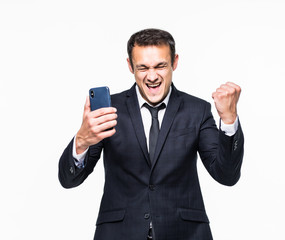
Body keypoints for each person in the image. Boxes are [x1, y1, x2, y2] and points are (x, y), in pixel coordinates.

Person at [58, 28, 244, 240]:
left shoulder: (197, 110)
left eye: (160, 66)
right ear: (130, 66)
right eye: (143, 67)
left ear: (174, 62)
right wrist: (81, 141)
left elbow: (227, 176)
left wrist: (228, 120)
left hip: (185, 233)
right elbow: (68, 180)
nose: (152, 76)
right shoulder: (109, 110)